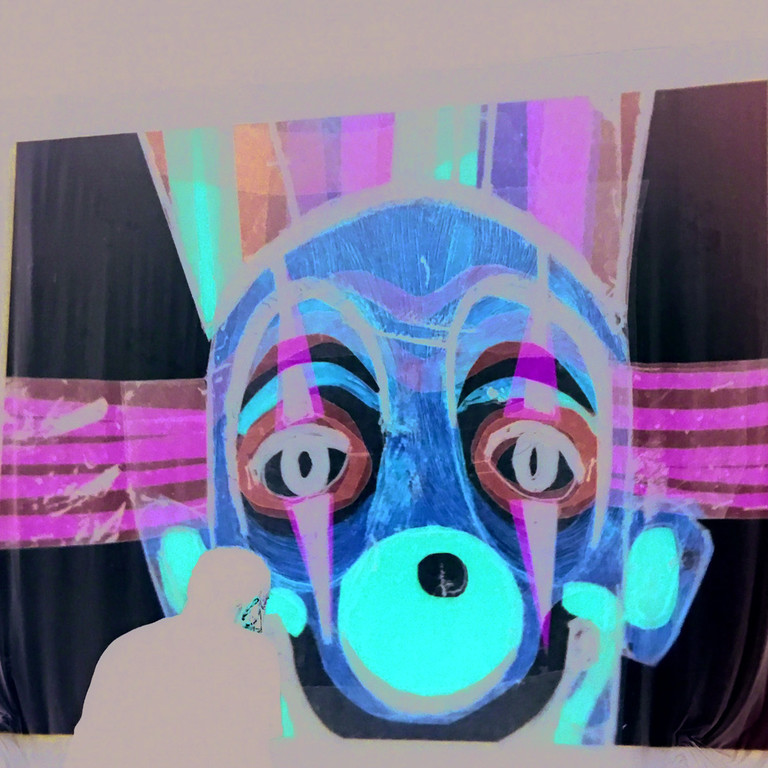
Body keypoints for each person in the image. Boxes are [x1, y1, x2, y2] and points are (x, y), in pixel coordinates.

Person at [64, 547, 283, 768]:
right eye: (263, 602)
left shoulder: (126, 647)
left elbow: (87, 749)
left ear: (193, 588)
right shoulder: (253, 653)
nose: (261, 615)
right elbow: (257, 748)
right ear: (250, 601)